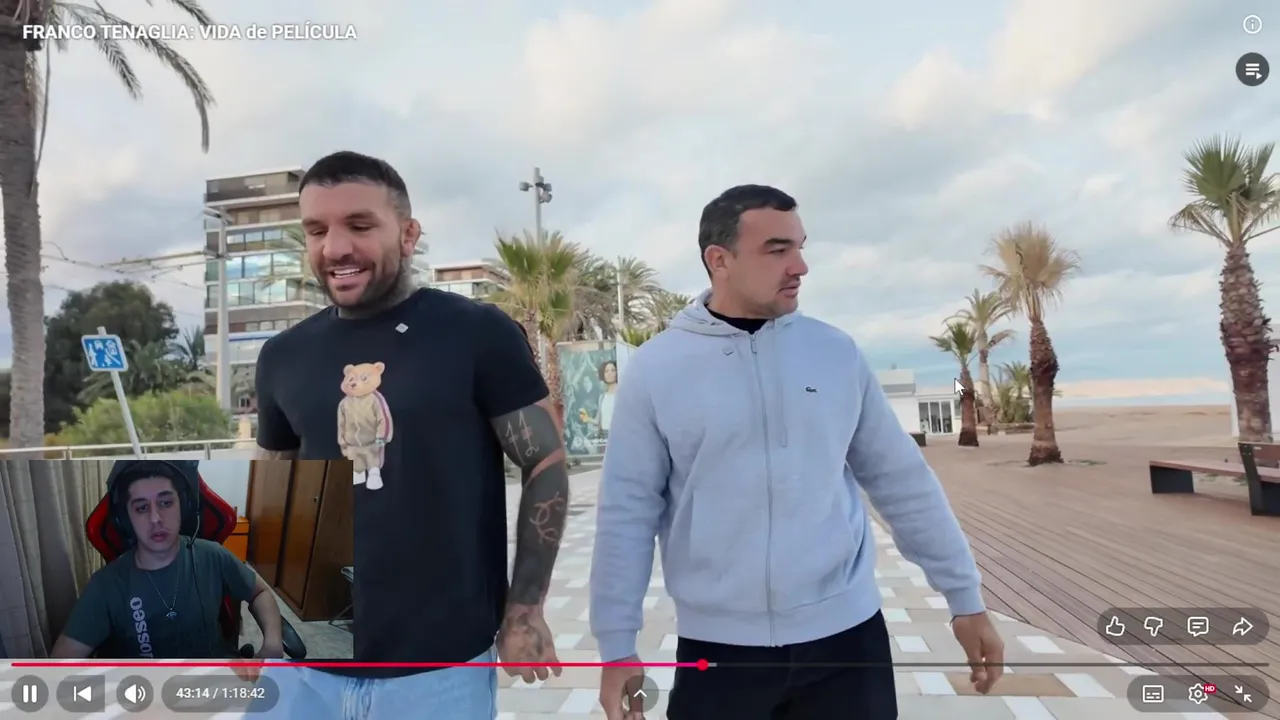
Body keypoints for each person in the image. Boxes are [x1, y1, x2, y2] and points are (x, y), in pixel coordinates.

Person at [589, 185, 1004, 720]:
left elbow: (902, 480)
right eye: (777, 249)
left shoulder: (835, 353)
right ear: (720, 260)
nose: (800, 266)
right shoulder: (657, 368)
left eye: (800, 247)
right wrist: (617, 646)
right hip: (718, 654)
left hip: (847, 644)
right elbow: (626, 511)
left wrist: (964, 597)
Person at [251, 151, 570, 719]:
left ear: (408, 234)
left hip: (438, 670)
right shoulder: (282, 356)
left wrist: (525, 608)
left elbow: (544, 461)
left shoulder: (476, 333)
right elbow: (273, 499)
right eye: (317, 230)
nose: (335, 248)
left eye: (359, 225)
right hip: (303, 667)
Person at [51, 460, 284, 667]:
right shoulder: (106, 585)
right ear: (126, 520)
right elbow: (60, 664)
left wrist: (273, 643)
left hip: (216, 682)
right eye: (142, 507)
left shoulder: (212, 555)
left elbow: (260, 592)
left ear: (184, 507)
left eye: (165, 503)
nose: (156, 519)